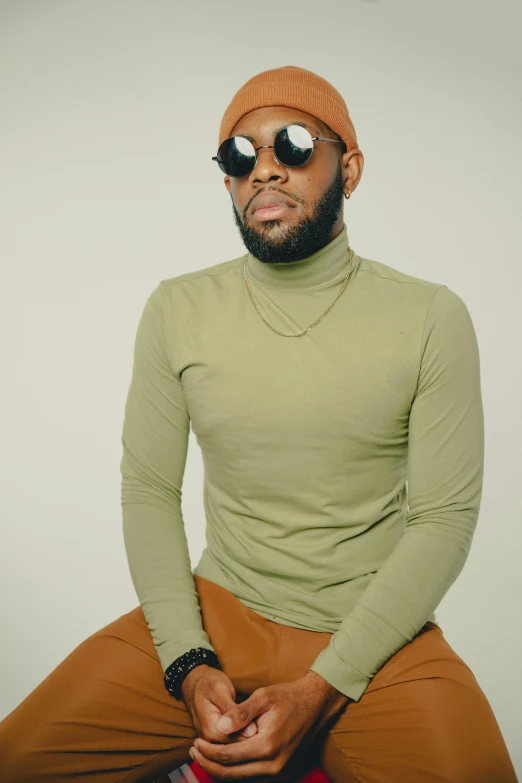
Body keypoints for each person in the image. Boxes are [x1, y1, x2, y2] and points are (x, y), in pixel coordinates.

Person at [0, 65, 517, 783]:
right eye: (240, 156)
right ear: (227, 182)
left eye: (294, 144)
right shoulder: (177, 309)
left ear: (352, 167)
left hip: (375, 635)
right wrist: (185, 660)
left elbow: (443, 519)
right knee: (17, 758)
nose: (265, 169)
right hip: (218, 612)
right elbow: (148, 489)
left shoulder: (431, 317)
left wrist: (323, 686)